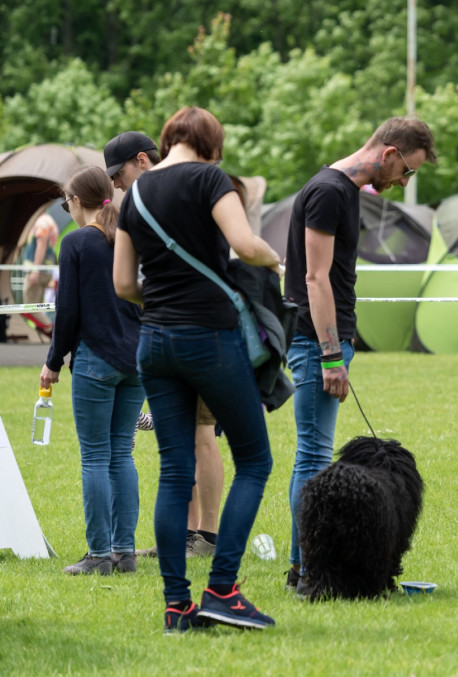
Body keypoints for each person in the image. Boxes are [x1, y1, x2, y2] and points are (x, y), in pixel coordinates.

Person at [113, 107, 281, 632]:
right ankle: (223, 590)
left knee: (174, 470)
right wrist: (276, 261)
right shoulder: (210, 178)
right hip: (209, 337)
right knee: (254, 460)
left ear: (167, 140)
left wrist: (165, 303)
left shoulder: (134, 195)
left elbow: (123, 284)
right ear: (211, 144)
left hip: (154, 343)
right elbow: (244, 245)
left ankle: (176, 606)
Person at [283, 116, 436, 593]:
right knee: (313, 456)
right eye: (407, 170)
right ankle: (307, 570)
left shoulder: (345, 190)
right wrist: (331, 355)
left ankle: (303, 566)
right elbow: (314, 278)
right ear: (389, 153)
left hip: (326, 340)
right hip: (315, 342)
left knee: (312, 453)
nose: (404, 182)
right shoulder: (330, 191)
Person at [104, 130, 221, 560]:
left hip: (203, 331)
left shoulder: (194, 189)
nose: (117, 186)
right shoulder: (147, 201)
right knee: (177, 438)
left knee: (202, 434)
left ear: (141, 159)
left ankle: (208, 537)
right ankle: (186, 535)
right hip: (167, 333)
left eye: (119, 175)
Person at [40, 166, 146, 576]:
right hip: (135, 361)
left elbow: (67, 311)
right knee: (122, 455)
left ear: (75, 201)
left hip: (95, 360)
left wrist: (52, 362)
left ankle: (99, 554)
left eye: (65, 199)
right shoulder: (129, 236)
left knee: (96, 457)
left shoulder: (76, 242)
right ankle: (125, 553)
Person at [22, 212, 59, 324]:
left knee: (30, 308)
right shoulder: (48, 220)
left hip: (38, 272)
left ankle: (50, 329)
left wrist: (35, 270)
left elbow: (41, 247)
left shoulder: (42, 223)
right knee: (36, 307)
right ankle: (48, 330)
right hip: (44, 271)